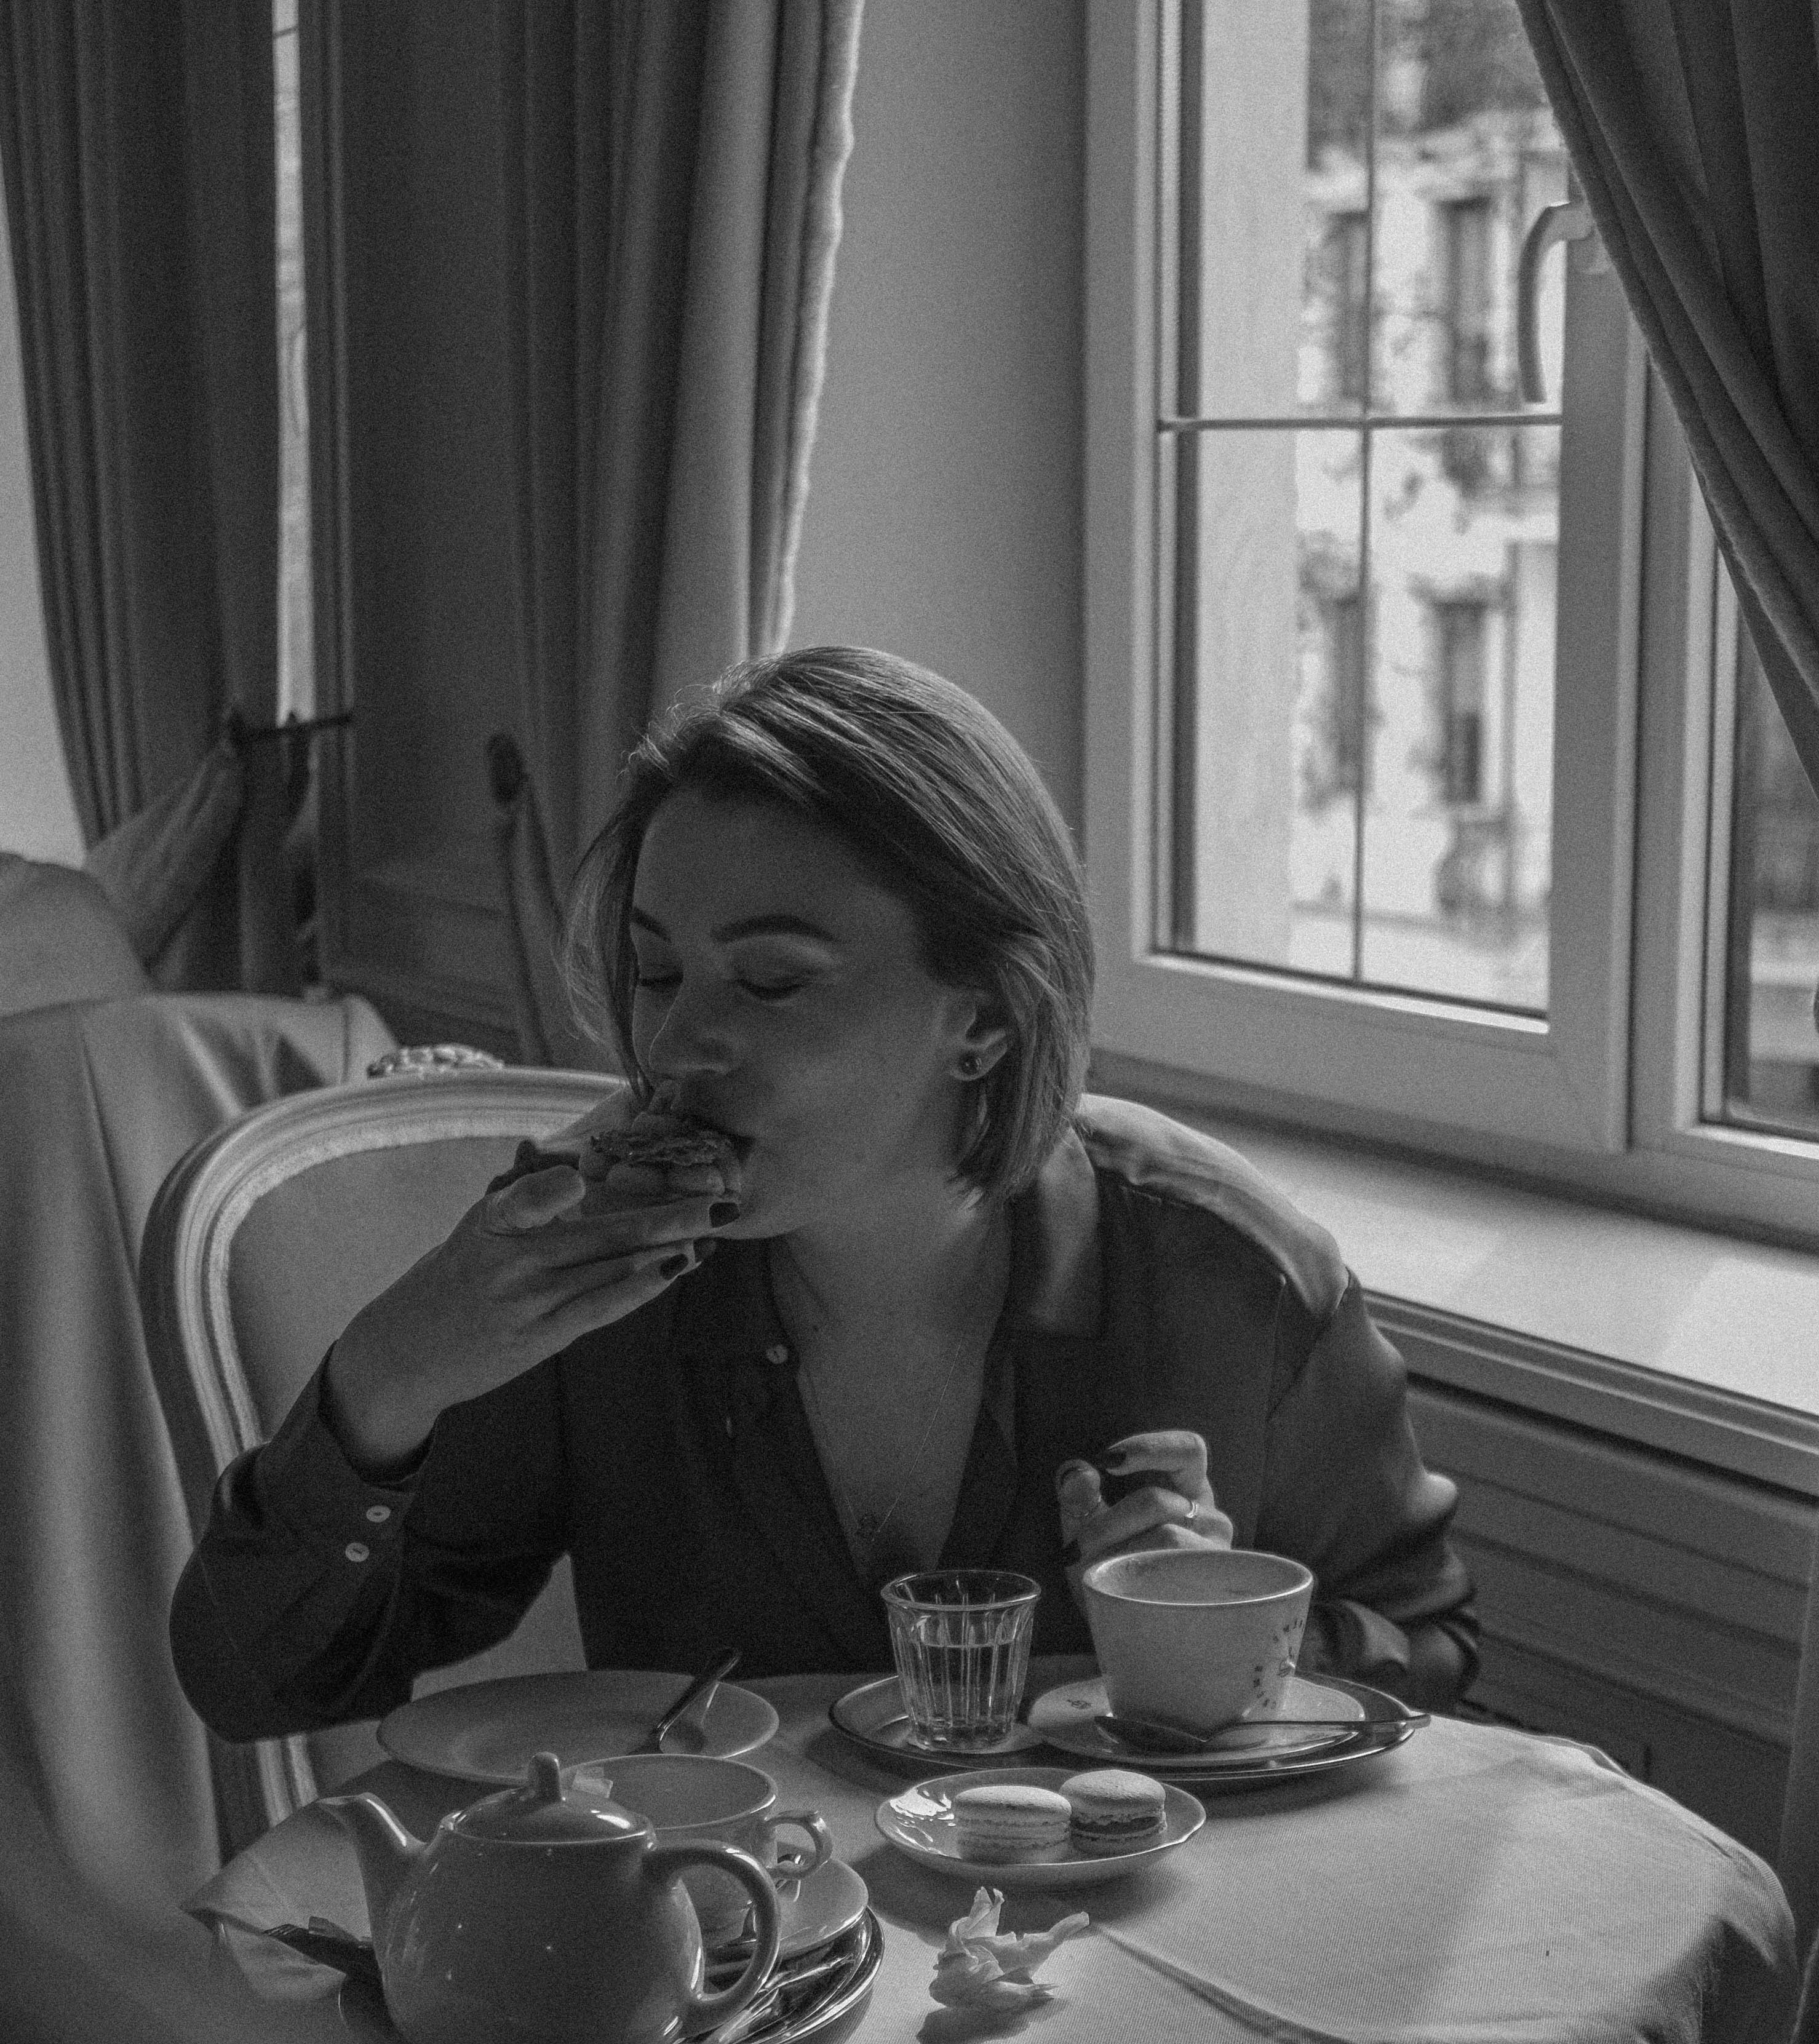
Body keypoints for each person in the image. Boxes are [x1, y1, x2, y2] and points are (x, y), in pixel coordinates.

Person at [170, 648, 1475, 1741]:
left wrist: (1228, 1636)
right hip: (739, 1982)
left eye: (772, 981)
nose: (676, 1048)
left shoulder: (1227, 1282)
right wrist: (389, 1376)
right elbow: (255, 1682)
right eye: (654, 971)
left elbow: (1432, 1667)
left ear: (982, 1015)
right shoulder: (596, 1267)